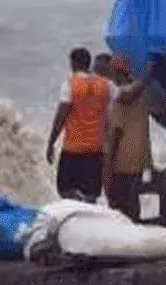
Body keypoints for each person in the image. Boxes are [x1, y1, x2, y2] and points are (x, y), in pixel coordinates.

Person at [46, 47, 113, 201]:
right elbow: (123, 98)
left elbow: (61, 117)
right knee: (91, 194)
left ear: (73, 63)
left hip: (73, 149)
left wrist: (51, 143)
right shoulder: (106, 85)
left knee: (65, 189)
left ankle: (75, 211)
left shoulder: (70, 85)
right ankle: (88, 217)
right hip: (95, 150)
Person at [104, 55, 153, 221]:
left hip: (121, 163)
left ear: (116, 74)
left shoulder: (120, 101)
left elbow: (115, 137)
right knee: (133, 204)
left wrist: (107, 169)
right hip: (138, 161)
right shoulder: (142, 97)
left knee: (118, 208)